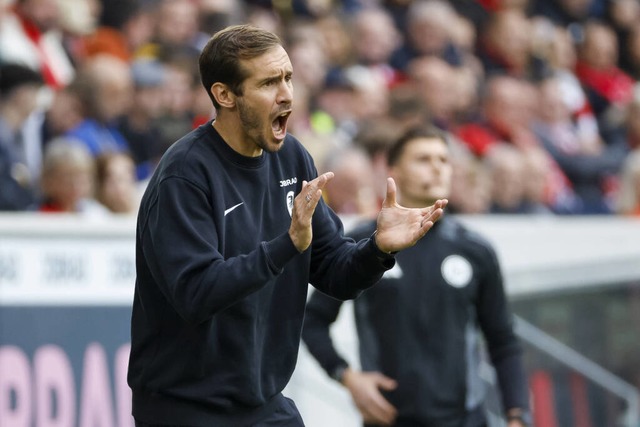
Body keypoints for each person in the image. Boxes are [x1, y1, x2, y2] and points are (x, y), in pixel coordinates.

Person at [127, 24, 447, 427]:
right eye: (268, 83)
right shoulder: (185, 175)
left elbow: (335, 273)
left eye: (288, 78)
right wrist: (287, 244)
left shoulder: (292, 158)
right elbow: (196, 293)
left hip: (262, 402)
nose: (287, 95)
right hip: (185, 407)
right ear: (224, 95)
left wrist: (378, 249)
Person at [302, 125, 531, 427]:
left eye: (443, 160)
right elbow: (313, 320)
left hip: (465, 420)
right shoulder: (365, 244)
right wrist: (348, 377)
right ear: (394, 170)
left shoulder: (475, 249)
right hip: (389, 421)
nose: (437, 169)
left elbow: (502, 340)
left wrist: (518, 416)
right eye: (424, 160)